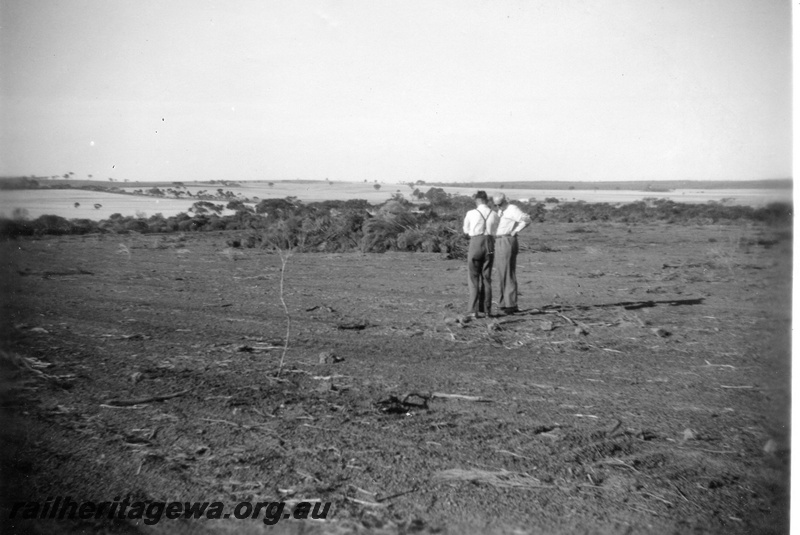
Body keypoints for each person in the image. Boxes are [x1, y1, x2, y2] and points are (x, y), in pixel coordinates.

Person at [492, 193, 532, 315]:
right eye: (496, 205)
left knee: (508, 272)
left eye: (500, 204)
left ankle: (511, 304)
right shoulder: (500, 211)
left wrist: (515, 231)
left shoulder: (512, 209)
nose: (498, 206)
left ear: (505, 201)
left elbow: (527, 219)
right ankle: (503, 303)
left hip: (507, 240)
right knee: (501, 272)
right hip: (498, 240)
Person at [462, 191, 499, 318]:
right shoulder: (494, 214)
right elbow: (496, 230)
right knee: (486, 277)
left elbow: (466, 230)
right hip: (490, 243)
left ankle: (473, 310)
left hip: (476, 242)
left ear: (476, 200)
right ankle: (487, 310)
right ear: (487, 200)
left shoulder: (471, 213)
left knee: (473, 277)